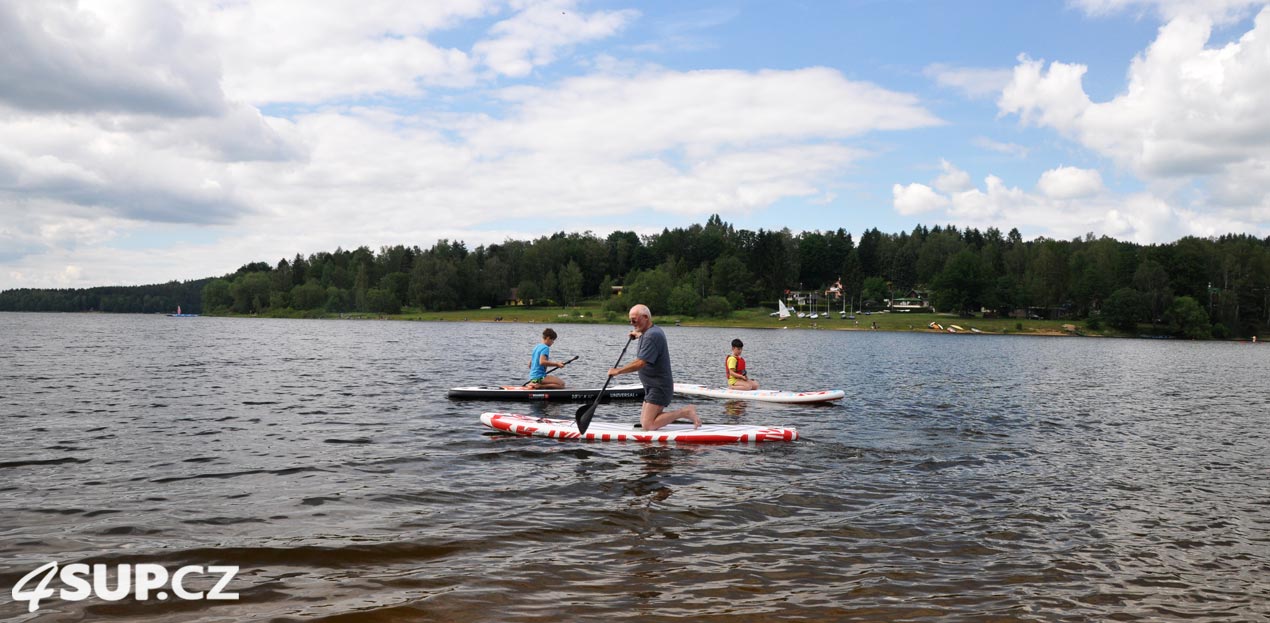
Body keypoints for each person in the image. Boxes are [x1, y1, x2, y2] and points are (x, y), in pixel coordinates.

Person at [609, 304, 700, 431]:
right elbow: (645, 335)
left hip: (659, 387)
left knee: (648, 425)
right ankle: (678, 415)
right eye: (630, 320)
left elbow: (641, 363)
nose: (631, 323)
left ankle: (685, 412)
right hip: (652, 386)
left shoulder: (652, 336)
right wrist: (638, 334)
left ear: (645, 317)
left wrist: (618, 371)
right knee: (644, 422)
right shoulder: (648, 331)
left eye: (634, 320)